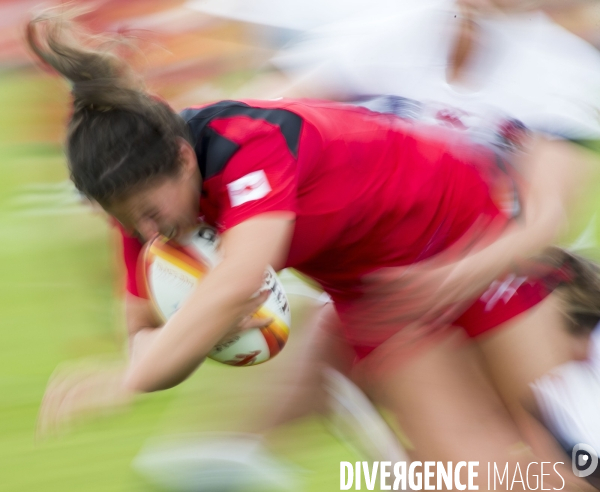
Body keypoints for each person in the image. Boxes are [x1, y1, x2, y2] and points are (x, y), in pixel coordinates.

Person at [27, 13, 595, 490]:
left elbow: (238, 282)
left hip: (465, 235)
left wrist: (126, 380)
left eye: (153, 214)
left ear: (182, 157)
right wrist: (137, 364)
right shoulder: (137, 199)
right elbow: (145, 329)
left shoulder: (248, 145)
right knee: (469, 475)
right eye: (130, 224)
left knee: (567, 450)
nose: (152, 233)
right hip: (372, 290)